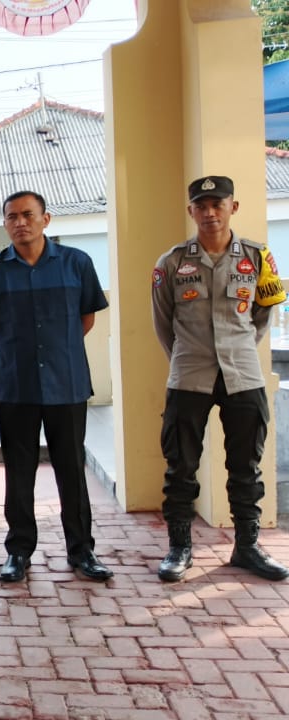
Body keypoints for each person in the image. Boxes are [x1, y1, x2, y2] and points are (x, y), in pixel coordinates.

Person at [151, 175, 289, 582]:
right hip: (189, 376)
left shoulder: (258, 257)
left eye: (218, 204)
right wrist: (185, 357)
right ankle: (179, 547)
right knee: (181, 466)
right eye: (201, 206)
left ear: (233, 207)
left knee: (246, 466)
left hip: (242, 375)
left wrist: (237, 348)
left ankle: (247, 546)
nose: (210, 213)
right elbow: (163, 322)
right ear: (191, 211)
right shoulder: (171, 262)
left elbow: (261, 316)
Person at [0, 191, 113, 584]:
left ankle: (82, 551)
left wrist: (56, 351)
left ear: (45, 219)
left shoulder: (76, 264)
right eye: (12, 217)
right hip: (16, 386)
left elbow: (86, 318)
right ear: (5, 223)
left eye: (28, 215)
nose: (20, 223)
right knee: (19, 472)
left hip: (66, 383)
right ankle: (18, 551)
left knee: (72, 470)